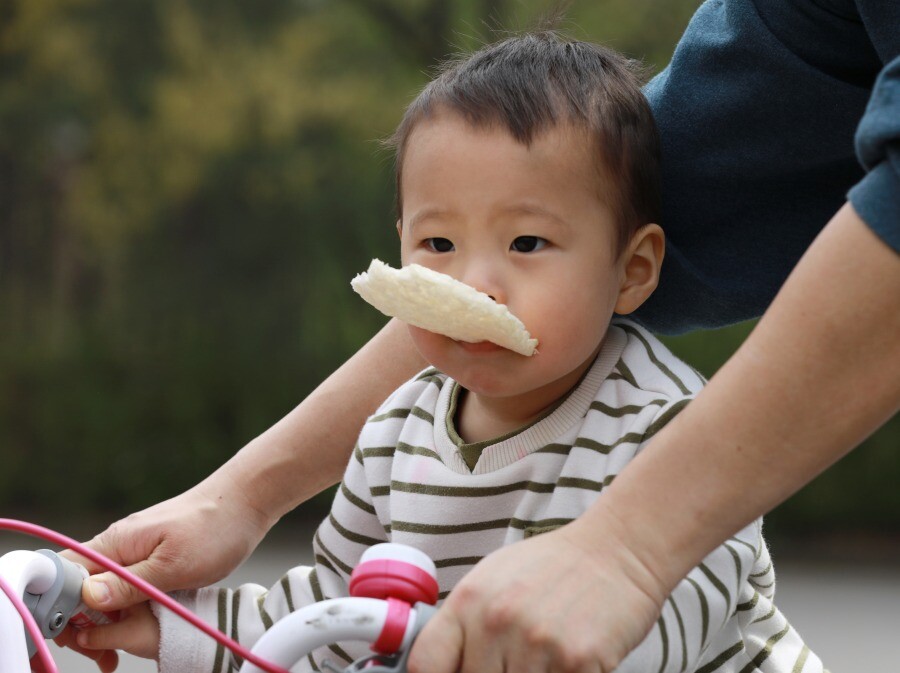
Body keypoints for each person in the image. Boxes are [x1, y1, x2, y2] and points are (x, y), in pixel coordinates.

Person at [67, 1, 898, 672]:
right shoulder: (393, 431)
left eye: (527, 244)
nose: (474, 285)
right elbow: (327, 610)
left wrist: (615, 565)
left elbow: (653, 628)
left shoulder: (661, 424)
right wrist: (158, 626)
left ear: (636, 270)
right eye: (436, 246)